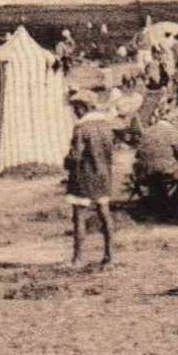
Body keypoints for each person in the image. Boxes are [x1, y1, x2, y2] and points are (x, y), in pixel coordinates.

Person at [64, 93, 116, 265]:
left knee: (79, 216)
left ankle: (78, 258)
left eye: (75, 108)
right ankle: (110, 255)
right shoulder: (106, 126)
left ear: (82, 107)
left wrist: (66, 162)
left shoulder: (81, 128)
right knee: (104, 213)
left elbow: (75, 156)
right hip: (103, 175)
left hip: (84, 176)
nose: (75, 112)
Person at [133, 113, 178, 204]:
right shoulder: (173, 132)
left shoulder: (148, 130)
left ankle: (158, 200)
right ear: (176, 120)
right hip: (162, 170)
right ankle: (177, 200)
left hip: (143, 170)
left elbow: (137, 153)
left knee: (159, 167)